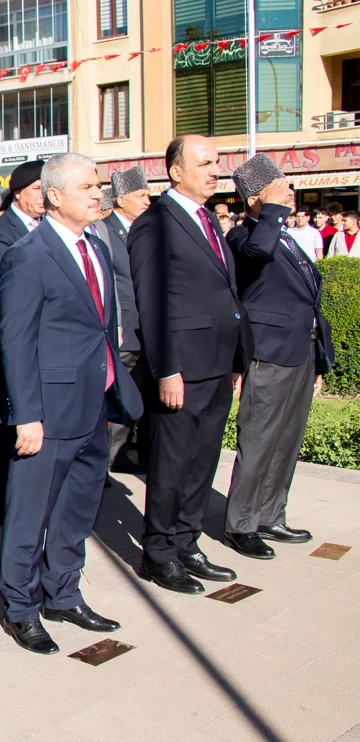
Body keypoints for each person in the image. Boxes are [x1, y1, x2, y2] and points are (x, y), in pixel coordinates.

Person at [0, 153, 142, 654]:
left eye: (98, 185)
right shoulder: (28, 255)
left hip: (93, 404)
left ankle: (64, 592)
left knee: (76, 510)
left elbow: (102, 326)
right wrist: (28, 416)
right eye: (86, 186)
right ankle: (21, 607)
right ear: (54, 196)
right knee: (29, 515)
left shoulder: (95, 249)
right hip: (48, 413)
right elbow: (17, 342)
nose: (97, 193)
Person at [129, 135, 251, 594]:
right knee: (171, 462)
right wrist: (166, 369)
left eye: (217, 161)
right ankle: (158, 553)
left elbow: (225, 292)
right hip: (181, 368)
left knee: (203, 460)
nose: (216, 169)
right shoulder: (156, 223)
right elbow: (153, 302)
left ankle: (186, 540)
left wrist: (236, 357)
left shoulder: (208, 221)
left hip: (217, 364)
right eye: (205, 162)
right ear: (176, 171)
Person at [222, 154, 333, 560]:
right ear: (256, 197)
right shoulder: (244, 236)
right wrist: (268, 211)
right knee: (260, 439)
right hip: (268, 353)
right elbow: (257, 254)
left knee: (287, 439)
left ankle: (271, 513)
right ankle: (242, 523)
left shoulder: (283, 234)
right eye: (280, 184)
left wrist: (321, 353)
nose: (290, 189)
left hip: (299, 349)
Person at [0, 161, 45, 526]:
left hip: (42, 339)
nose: (44, 197)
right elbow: (7, 283)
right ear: (19, 193)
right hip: (7, 341)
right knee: (5, 423)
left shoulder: (48, 227)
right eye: (37, 189)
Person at [100, 166, 150, 474]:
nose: (147, 201)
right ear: (121, 199)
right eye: (141, 195)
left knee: (135, 394)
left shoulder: (144, 230)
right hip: (122, 329)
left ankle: (118, 455)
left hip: (143, 328)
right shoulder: (107, 230)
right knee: (115, 397)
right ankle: (103, 460)